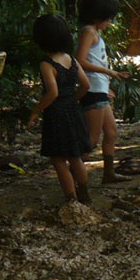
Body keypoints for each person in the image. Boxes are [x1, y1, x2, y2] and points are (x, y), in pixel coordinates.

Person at [28, 14, 93, 204]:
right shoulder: (71, 60)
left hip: (56, 114)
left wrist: (35, 111)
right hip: (73, 110)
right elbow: (86, 85)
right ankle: (84, 193)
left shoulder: (47, 64)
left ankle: (71, 199)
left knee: (58, 160)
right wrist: (73, 99)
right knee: (75, 156)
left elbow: (52, 93)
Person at [76, 0, 130, 183]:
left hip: (98, 89)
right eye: (108, 18)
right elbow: (80, 61)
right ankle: (75, 175)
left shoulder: (94, 32)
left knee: (112, 131)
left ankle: (109, 173)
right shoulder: (89, 32)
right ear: (98, 16)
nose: (110, 22)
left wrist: (105, 85)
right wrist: (109, 73)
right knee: (92, 138)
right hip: (92, 91)